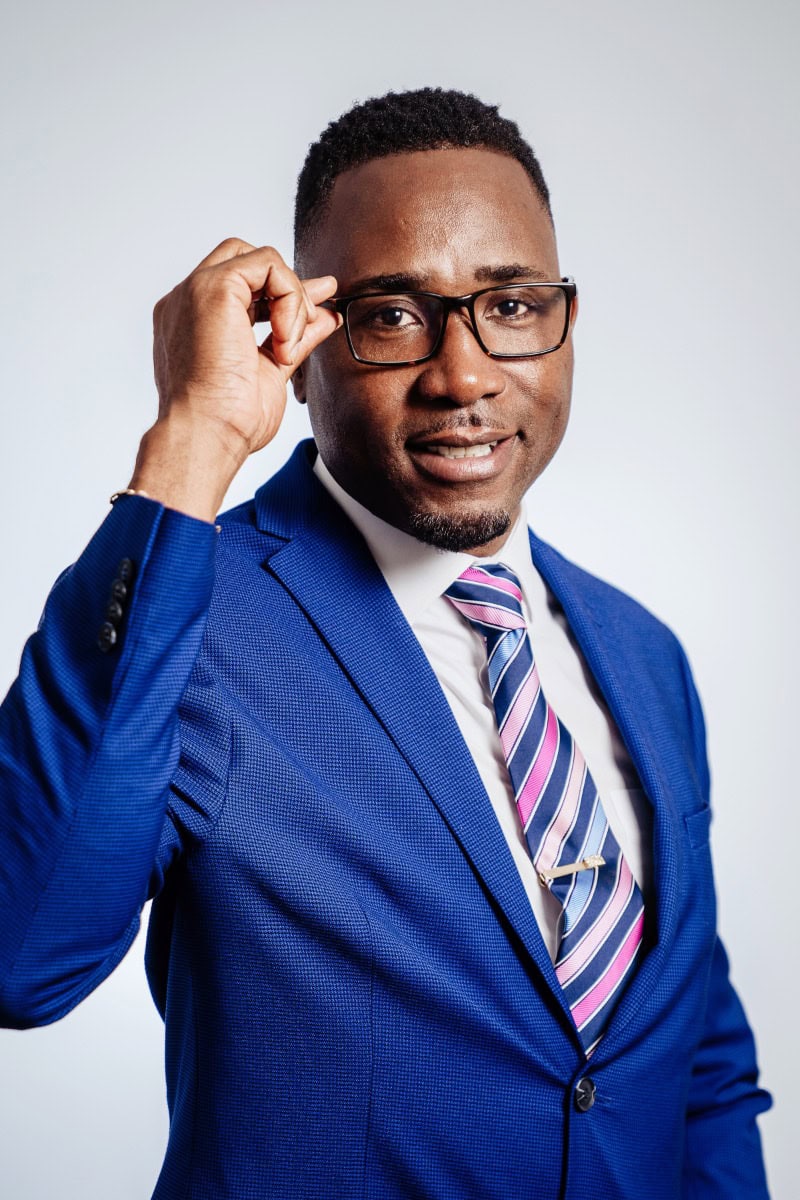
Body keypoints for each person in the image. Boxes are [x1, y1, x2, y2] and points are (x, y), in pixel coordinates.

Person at [0, 88, 771, 1199]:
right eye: (394, 315)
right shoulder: (189, 613)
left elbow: (696, 1066)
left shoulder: (643, 655)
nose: (463, 375)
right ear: (302, 342)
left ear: (564, 322)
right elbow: (21, 955)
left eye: (512, 305)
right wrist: (193, 438)